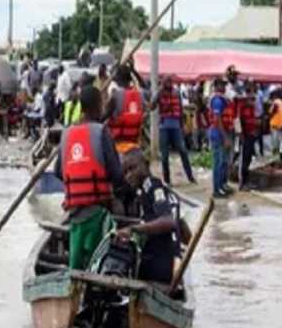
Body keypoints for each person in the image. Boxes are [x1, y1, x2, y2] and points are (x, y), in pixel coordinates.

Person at [53, 85, 125, 270]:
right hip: (98, 212)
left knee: (75, 265)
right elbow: (116, 174)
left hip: (74, 212)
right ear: (98, 106)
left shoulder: (66, 133)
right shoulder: (101, 132)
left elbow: (58, 172)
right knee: (97, 265)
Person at [118, 148, 188, 284]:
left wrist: (133, 229)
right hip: (165, 261)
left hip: (160, 263)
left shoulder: (152, 186)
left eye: (132, 168)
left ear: (146, 164)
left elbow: (169, 222)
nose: (129, 176)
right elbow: (181, 224)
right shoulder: (146, 191)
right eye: (125, 172)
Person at [154, 77, 196, 185]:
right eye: (166, 82)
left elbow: (180, 110)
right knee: (165, 155)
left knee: (183, 150)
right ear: (163, 83)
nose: (169, 84)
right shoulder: (160, 93)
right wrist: (157, 95)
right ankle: (167, 180)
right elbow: (152, 106)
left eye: (170, 82)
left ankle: (190, 176)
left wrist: (182, 126)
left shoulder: (176, 93)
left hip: (176, 125)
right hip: (164, 126)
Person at [102, 65, 146, 155]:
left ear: (118, 80)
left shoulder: (115, 96)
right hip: (134, 146)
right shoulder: (140, 95)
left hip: (117, 147)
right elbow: (144, 86)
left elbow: (102, 118)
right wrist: (134, 71)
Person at [208, 79, 232, 198]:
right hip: (218, 134)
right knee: (218, 163)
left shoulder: (222, 99)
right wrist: (225, 137)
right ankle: (216, 190)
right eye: (222, 85)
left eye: (224, 85)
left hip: (220, 133)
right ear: (216, 86)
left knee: (223, 162)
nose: (224, 87)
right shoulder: (217, 101)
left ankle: (221, 186)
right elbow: (217, 120)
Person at [237, 82, 260, 190]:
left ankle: (246, 181)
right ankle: (242, 183)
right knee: (244, 159)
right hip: (245, 136)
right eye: (250, 92)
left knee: (249, 159)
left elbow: (252, 120)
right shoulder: (242, 106)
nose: (253, 96)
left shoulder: (251, 107)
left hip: (251, 135)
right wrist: (241, 134)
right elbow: (238, 121)